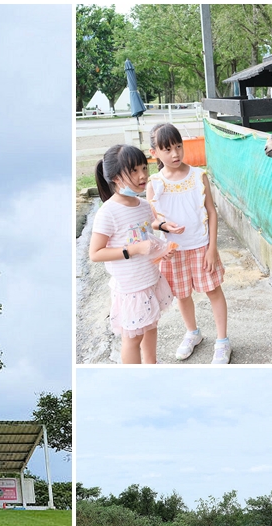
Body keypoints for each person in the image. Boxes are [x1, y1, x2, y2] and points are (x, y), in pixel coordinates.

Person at [147, 122, 231, 364]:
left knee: (213, 291)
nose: (175, 154)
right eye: (167, 149)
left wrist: (212, 248)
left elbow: (211, 213)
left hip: (202, 246)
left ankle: (222, 341)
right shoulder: (154, 183)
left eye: (178, 147)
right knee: (182, 296)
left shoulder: (198, 176)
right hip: (173, 252)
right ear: (155, 153)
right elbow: (151, 221)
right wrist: (163, 226)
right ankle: (193, 333)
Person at [89, 144, 175, 364]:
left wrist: (161, 251)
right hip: (130, 288)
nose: (143, 175)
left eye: (144, 168)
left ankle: (151, 365)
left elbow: (146, 236)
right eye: (134, 171)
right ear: (116, 178)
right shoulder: (108, 212)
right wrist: (134, 250)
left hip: (149, 279)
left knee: (151, 326)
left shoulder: (144, 205)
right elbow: (96, 253)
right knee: (133, 338)